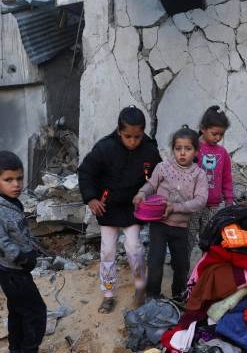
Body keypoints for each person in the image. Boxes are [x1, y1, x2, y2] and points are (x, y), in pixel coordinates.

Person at [78, 106, 163, 313]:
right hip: (107, 208)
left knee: (134, 247)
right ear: (119, 131)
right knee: (107, 251)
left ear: (143, 132)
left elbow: (159, 175)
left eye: (137, 137)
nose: (133, 141)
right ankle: (108, 294)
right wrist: (91, 198)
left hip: (134, 208)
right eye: (128, 137)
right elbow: (86, 171)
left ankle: (140, 286)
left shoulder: (149, 150)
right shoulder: (104, 148)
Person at [0, 151, 54, 353]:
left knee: (17, 310)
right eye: (9, 180)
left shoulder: (9, 201)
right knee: (35, 311)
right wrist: (21, 257)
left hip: (13, 270)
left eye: (19, 178)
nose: (16, 184)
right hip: (13, 271)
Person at [133, 126, 208, 302]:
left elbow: (200, 201)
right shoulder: (163, 167)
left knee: (181, 264)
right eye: (178, 148)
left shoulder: (199, 175)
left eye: (188, 149)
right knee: (155, 260)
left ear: (196, 151)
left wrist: (175, 207)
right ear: (173, 149)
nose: (182, 153)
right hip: (159, 223)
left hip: (181, 227)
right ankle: (153, 295)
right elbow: (151, 185)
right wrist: (142, 193)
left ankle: (178, 295)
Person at [188, 105, 234, 253]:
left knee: (209, 239)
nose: (218, 138)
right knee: (188, 237)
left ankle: (206, 265)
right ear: (203, 129)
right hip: (193, 203)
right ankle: (183, 265)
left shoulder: (223, 153)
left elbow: (227, 178)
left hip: (213, 205)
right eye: (214, 134)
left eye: (221, 134)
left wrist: (229, 200)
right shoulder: (192, 148)